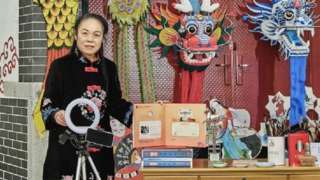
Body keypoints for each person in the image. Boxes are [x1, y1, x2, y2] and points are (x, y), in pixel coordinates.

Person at [40, 13, 133, 180]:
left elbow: (115, 103)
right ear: (76, 35)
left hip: (99, 142)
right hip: (66, 142)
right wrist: (56, 114)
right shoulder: (60, 66)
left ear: (103, 38)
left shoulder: (109, 68)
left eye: (96, 34)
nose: (90, 39)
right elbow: (48, 103)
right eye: (85, 33)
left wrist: (149, 111)